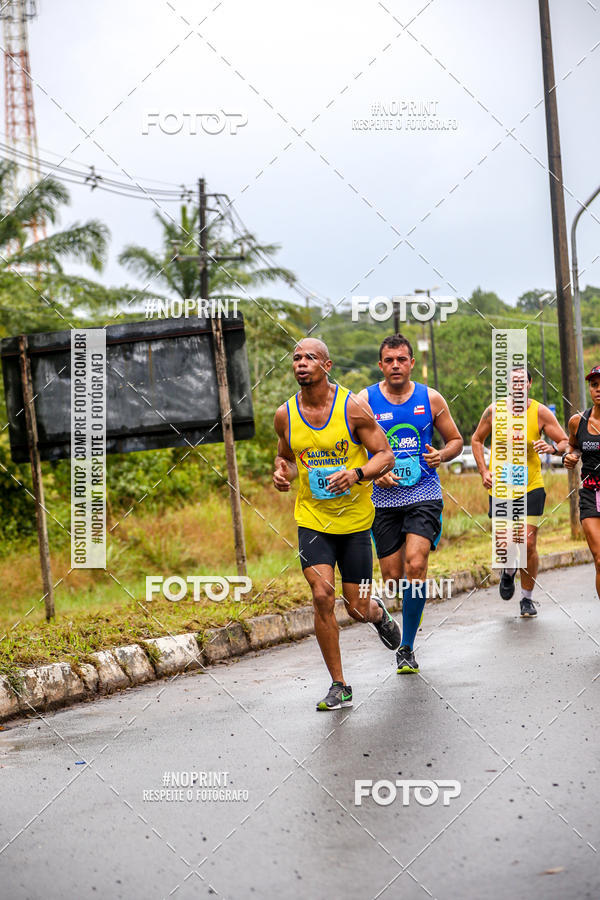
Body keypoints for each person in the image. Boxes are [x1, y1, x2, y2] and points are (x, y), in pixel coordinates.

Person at [273, 338, 399, 711]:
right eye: (296, 358)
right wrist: (282, 473)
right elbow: (286, 460)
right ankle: (339, 684)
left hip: (356, 522)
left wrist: (357, 473)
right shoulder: (285, 415)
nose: (301, 363)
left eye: (310, 357)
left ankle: (376, 612)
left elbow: (386, 455)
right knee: (321, 594)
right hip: (312, 520)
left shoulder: (353, 408)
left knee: (355, 609)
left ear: (326, 365)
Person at [357, 333, 463, 675]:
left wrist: (442, 454)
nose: (395, 366)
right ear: (380, 365)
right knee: (393, 579)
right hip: (383, 499)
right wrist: (374, 472)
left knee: (416, 565)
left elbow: (457, 440)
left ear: (411, 363)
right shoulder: (364, 401)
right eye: (389, 360)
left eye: (401, 359)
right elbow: (351, 444)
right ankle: (386, 618)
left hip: (424, 494)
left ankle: (407, 648)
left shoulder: (430, 399)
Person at [472, 366, 569, 617]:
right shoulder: (494, 411)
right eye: (512, 381)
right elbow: (476, 439)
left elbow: (565, 442)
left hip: (531, 485)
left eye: (521, 382)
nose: (517, 386)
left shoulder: (540, 412)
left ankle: (527, 599)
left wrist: (551, 449)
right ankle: (508, 571)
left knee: (527, 542)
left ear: (529, 384)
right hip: (502, 486)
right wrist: (484, 471)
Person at [563, 364, 600, 600]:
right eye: (595, 385)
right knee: (599, 558)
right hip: (590, 494)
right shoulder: (578, 421)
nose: (598, 389)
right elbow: (572, 445)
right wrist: (571, 456)